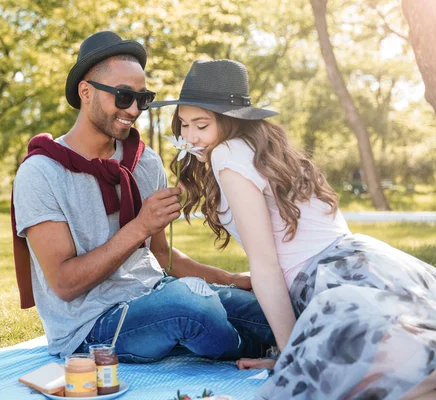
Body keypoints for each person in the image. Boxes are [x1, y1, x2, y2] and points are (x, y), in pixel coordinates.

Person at [149, 59, 436, 399]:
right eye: (183, 125)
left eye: (201, 124)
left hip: (330, 277)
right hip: (363, 261)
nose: (189, 136)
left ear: (229, 123)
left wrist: (289, 356)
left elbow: (267, 263)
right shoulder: (263, 149)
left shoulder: (226, 153)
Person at [11, 32, 275, 363]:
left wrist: (233, 280)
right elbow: (64, 284)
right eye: (124, 96)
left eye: (143, 98)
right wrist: (140, 226)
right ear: (86, 91)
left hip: (154, 293)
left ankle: (310, 346)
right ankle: (266, 352)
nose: (135, 109)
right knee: (190, 307)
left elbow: (162, 256)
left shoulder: (144, 162)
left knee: (268, 305)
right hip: (89, 327)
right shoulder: (41, 172)